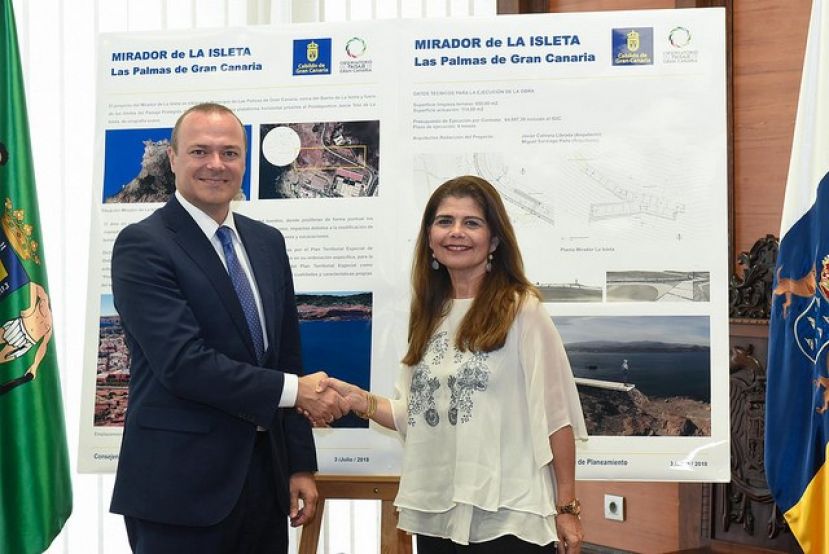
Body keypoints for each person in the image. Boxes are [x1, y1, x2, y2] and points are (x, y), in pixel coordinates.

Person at [109, 102, 349, 554]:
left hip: (263, 481)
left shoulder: (266, 242)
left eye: (230, 153)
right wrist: (297, 391)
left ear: (244, 161)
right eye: (200, 152)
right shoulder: (143, 245)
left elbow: (286, 357)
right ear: (173, 160)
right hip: (179, 492)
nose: (216, 165)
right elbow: (183, 363)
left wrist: (298, 464)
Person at [317, 176, 588, 553]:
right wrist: (358, 399)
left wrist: (567, 508)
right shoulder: (430, 315)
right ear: (429, 237)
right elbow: (414, 414)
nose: (455, 232)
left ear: (494, 240)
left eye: (471, 223)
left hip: (508, 519)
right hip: (437, 514)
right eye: (444, 221)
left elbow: (557, 418)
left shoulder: (521, 309)